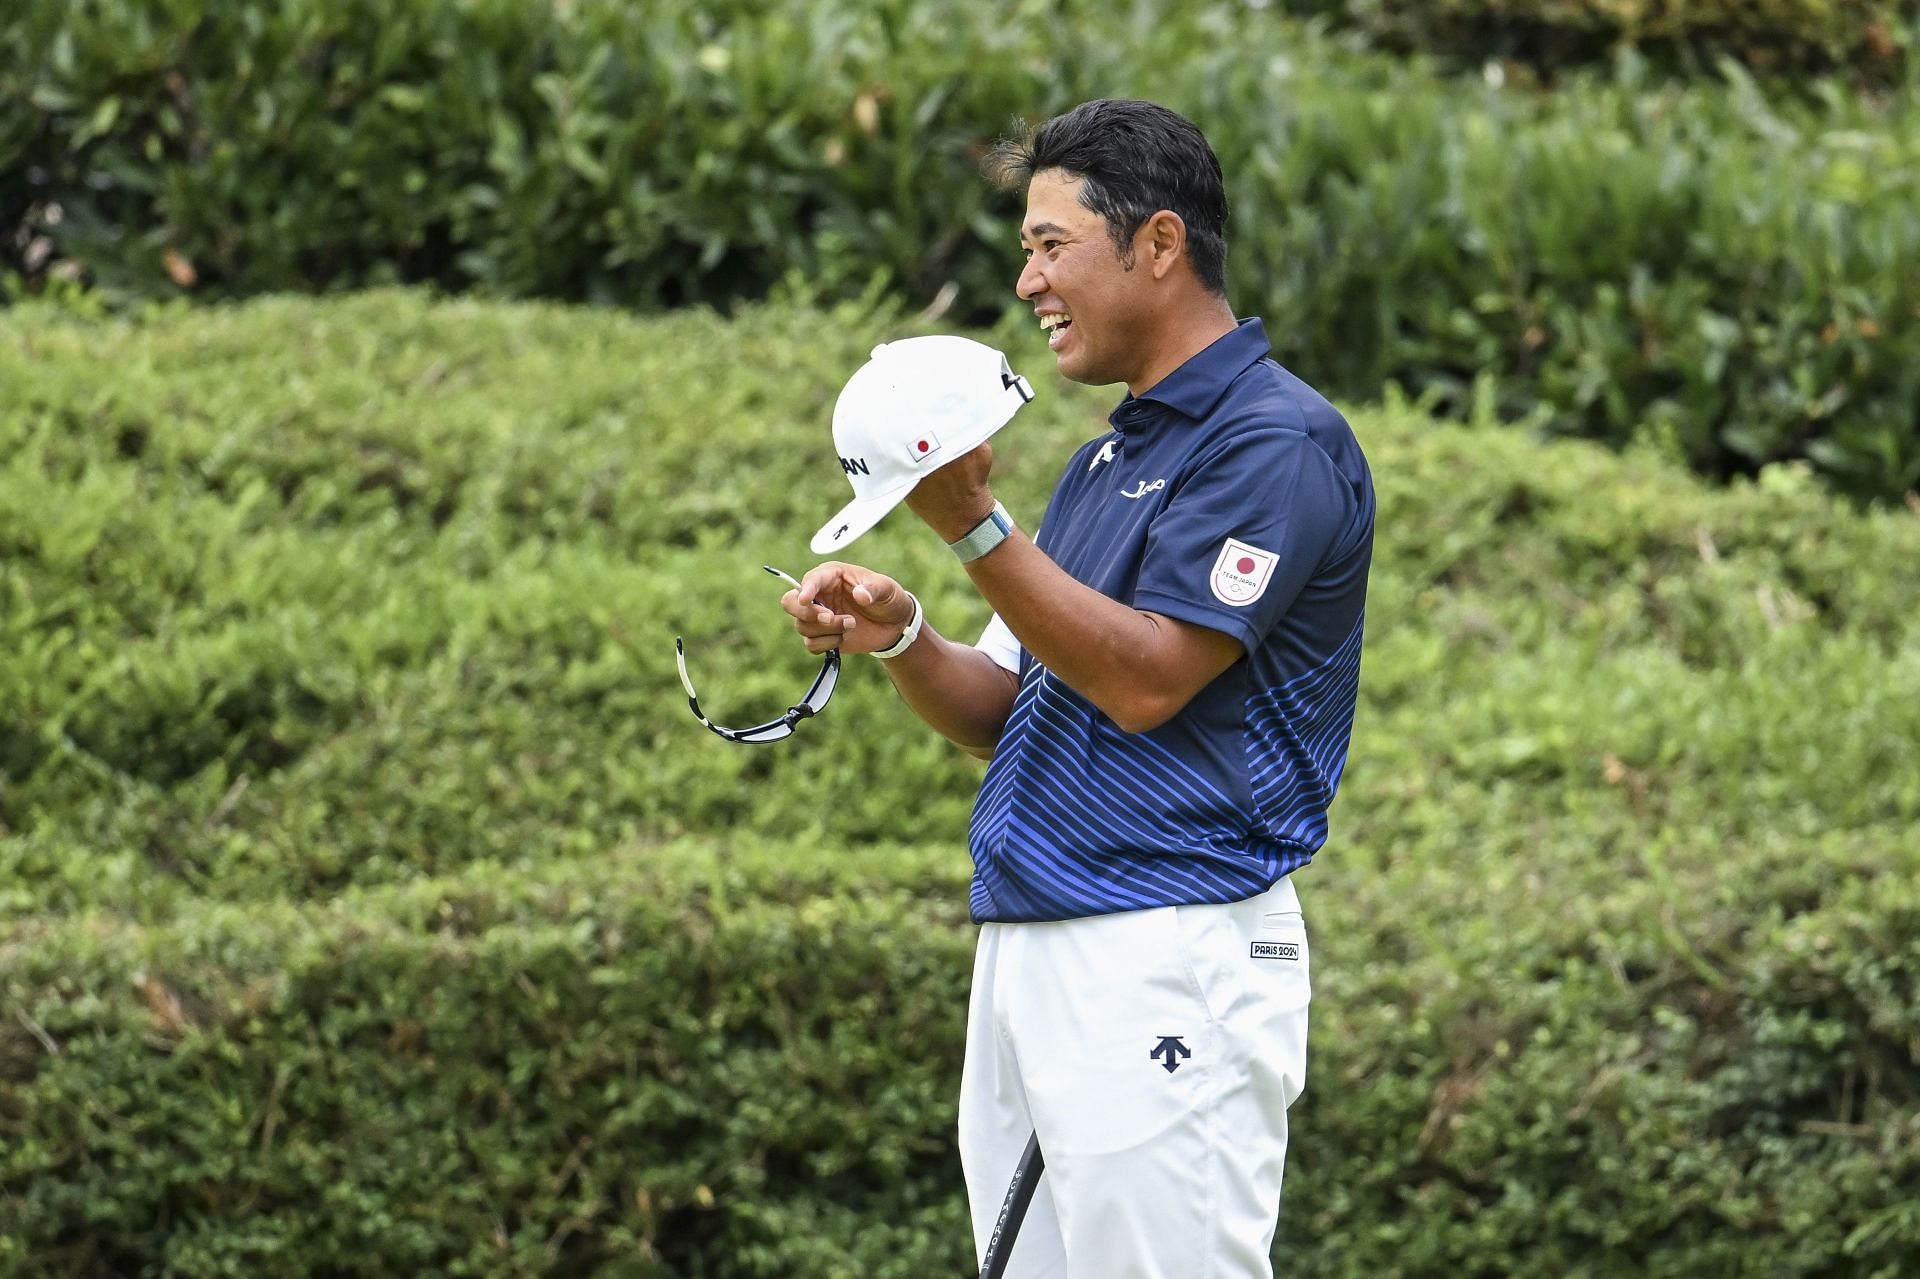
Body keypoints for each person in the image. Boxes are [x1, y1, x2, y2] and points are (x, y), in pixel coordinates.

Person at [782, 99, 1374, 1279]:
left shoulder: (1276, 442)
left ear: (1158, 245)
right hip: (1040, 937)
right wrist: (906, 639)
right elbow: (1023, 706)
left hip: (1171, 936)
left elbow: (1148, 681)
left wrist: (976, 527)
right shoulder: (1114, 456)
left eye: (1051, 246)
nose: (1026, 281)